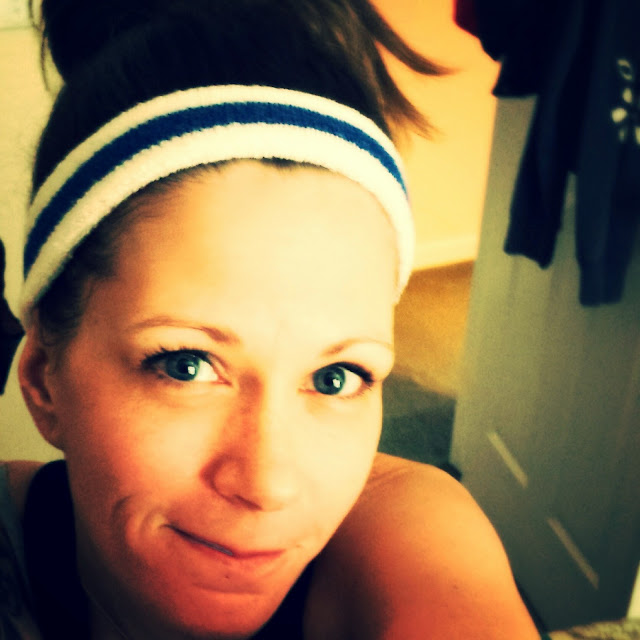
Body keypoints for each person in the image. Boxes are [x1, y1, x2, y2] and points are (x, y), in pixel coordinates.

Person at [1, 1, 541, 638]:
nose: (268, 485)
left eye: (337, 378)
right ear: (43, 378)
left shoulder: (408, 538)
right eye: (187, 366)